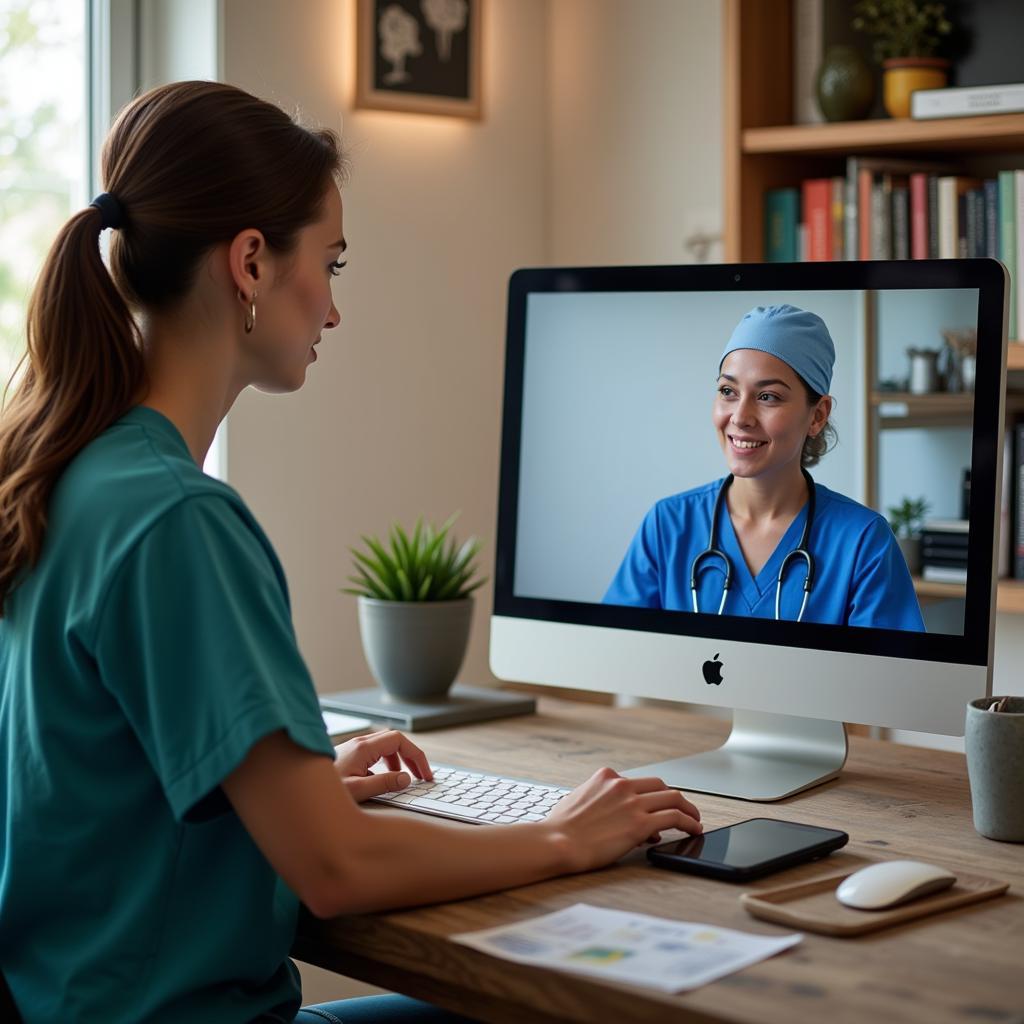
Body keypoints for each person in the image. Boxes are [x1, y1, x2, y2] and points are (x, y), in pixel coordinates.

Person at [0, 81, 703, 1024]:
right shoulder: (179, 520)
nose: (332, 311)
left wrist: (301, 789)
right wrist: (562, 835)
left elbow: (97, 785)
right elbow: (335, 870)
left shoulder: (58, 469)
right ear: (249, 262)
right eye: (329, 264)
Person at [604, 304, 925, 630]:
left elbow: (893, 678)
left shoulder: (862, 542)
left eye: (768, 397)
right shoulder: (668, 526)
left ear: (817, 416)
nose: (740, 417)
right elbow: (617, 656)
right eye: (728, 391)